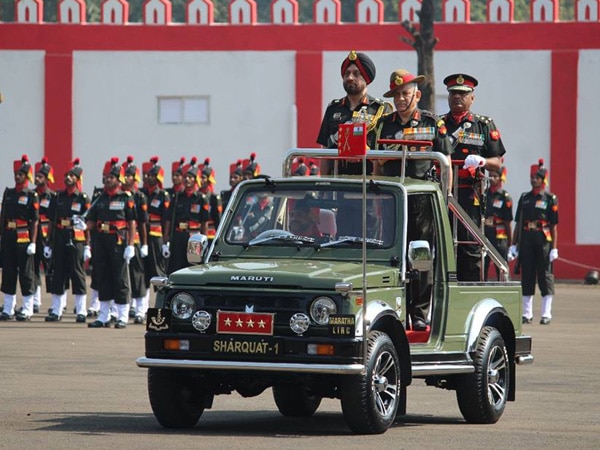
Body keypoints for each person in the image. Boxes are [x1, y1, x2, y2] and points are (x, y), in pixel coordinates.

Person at [371, 69, 453, 332]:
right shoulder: (384, 123)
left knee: (421, 257)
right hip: (392, 201)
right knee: (392, 257)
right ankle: (396, 311)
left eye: (405, 94)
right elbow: (377, 163)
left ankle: (419, 313)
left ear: (417, 94)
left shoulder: (432, 123)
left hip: (422, 203)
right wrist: (375, 199)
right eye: (396, 95)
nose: (401, 99)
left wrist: (445, 196)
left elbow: (446, 164)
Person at [440, 73, 506, 281]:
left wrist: (482, 161)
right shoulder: (438, 124)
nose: (457, 97)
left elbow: (497, 163)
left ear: (472, 98)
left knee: (470, 246)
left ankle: (470, 291)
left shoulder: (483, 125)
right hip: (443, 193)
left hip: (470, 195)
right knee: (443, 245)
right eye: (453, 93)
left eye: (462, 93)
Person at [317, 50, 392, 175]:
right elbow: (325, 150)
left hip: (367, 183)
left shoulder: (380, 109)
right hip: (337, 182)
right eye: (347, 74)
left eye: (356, 74)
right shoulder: (333, 108)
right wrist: (323, 187)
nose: (350, 77)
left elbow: (385, 153)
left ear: (366, 79)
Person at [85, 157, 136, 329]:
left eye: (111, 177)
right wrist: (82, 225)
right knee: (103, 277)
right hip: (101, 241)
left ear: (118, 179)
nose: (107, 180)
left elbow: (132, 223)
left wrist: (130, 245)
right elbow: (92, 220)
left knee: (120, 278)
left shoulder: (125, 198)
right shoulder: (100, 198)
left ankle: (122, 316)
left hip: (118, 241)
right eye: (106, 177)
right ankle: (104, 315)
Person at [509, 159, 558, 325]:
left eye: (537, 177)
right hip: (527, 240)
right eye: (532, 177)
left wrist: (554, 248)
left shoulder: (550, 199)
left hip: (543, 241)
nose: (533, 179)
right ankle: (527, 313)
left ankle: (546, 313)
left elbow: (553, 226)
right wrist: (514, 245)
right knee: (527, 275)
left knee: (545, 276)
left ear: (543, 179)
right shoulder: (524, 198)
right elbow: (518, 223)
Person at [44, 159, 91, 322]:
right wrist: (48, 243)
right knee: (58, 273)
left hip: (76, 239)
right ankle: (56, 310)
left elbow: (88, 224)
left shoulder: (83, 198)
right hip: (59, 237)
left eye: (71, 175)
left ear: (77, 179)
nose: (67, 178)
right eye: (66, 175)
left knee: (77, 273)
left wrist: (87, 246)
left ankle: (81, 310)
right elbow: (51, 221)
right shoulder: (58, 197)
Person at [0, 155, 39, 321]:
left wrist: (33, 242)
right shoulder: (8, 193)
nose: (17, 176)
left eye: (21, 174)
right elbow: (2, 217)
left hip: (23, 236)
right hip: (8, 235)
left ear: (26, 176)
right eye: (16, 173)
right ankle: (8, 308)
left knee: (26, 272)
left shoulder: (32, 195)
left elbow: (35, 221)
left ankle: (28, 308)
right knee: (8, 271)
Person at [164, 157, 210, 274]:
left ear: (195, 180)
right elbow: (169, 220)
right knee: (176, 266)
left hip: (194, 237)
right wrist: (166, 241)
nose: (187, 179)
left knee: (193, 267)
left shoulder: (201, 199)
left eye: (190, 177)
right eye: (185, 177)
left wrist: (204, 241)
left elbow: (204, 223)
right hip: (178, 236)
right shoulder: (177, 197)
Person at [141, 156, 170, 320]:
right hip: (144, 236)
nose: (149, 178)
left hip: (157, 236)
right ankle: (142, 307)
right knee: (143, 272)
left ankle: (160, 306)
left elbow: (166, 220)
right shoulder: (142, 193)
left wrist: (166, 242)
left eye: (153, 176)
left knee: (158, 271)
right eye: (148, 176)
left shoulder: (163, 195)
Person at [121, 156, 149, 325]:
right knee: (122, 275)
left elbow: (142, 223)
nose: (126, 178)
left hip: (135, 238)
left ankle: (140, 309)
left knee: (137, 275)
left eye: (129, 175)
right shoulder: (120, 196)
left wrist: (144, 244)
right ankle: (125, 306)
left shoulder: (139, 197)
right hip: (119, 239)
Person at [33, 157, 56, 314]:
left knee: (51, 268)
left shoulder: (52, 196)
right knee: (33, 268)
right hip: (34, 235)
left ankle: (56, 302)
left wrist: (51, 240)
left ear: (47, 179)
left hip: (47, 235)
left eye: (41, 176)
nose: (37, 179)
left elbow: (54, 219)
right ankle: (35, 300)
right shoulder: (31, 194)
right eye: (36, 176)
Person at [484, 166, 513, 281]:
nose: (492, 178)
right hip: (485, 235)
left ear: (501, 178)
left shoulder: (505, 197)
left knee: (501, 268)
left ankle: (505, 289)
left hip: (499, 237)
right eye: (490, 175)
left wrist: (510, 244)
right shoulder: (484, 194)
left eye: (495, 176)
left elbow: (508, 222)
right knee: (482, 265)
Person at [199, 158, 222, 240]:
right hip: (196, 235)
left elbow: (218, 220)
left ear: (208, 180)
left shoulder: (214, 198)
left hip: (210, 236)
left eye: (203, 178)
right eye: (199, 177)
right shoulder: (196, 197)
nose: (200, 180)